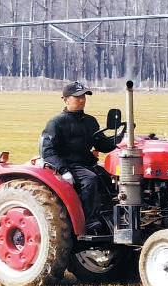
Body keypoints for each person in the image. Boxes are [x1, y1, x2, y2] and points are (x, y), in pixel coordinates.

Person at [40, 81, 121, 234]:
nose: (82, 100)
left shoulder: (90, 121)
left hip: (87, 164)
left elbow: (102, 144)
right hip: (70, 164)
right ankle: (90, 222)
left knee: (110, 181)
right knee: (90, 180)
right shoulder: (56, 123)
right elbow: (48, 151)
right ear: (65, 100)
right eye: (78, 97)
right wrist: (64, 170)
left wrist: (120, 138)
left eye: (84, 96)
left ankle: (112, 218)